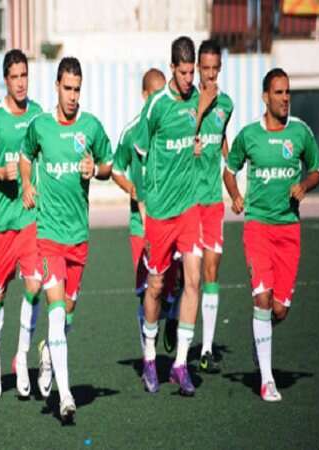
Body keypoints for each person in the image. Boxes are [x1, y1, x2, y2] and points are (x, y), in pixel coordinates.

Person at [20, 56, 113, 423]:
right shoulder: (40, 126)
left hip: (78, 237)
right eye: (67, 88)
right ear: (56, 87)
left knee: (67, 315)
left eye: (77, 89)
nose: (73, 96)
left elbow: (108, 164)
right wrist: (26, 183)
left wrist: (96, 169)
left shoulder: (91, 127)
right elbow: (26, 155)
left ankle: (48, 354)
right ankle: (66, 395)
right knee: (56, 312)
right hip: (48, 236)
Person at [223, 68, 319, 401]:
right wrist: (235, 196)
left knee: (279, 310)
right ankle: (267, 380)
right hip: (258, 228)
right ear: (265, 97)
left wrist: (305, 185)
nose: (285, 98)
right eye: (279, 93)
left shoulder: (300, 132)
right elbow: (229, 170)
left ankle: (260, 331)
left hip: (289, 230)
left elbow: (317, 170)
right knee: (262, 299)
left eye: (287, 92)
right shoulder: (249, 135)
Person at [134, 36, 209, 396]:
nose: (189, 79)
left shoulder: (197, 99)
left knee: (194, 281)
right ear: (172, 68)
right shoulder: (156, 106)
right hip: (160, 214)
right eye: (183, 73)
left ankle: (180, 364)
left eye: (192, 72)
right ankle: (150, 357)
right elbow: (139, 151)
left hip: (189, 209)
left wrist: (197, 146)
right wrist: (145, 199)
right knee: (156, 286)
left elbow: (206, 123)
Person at [0, 49, 43, 400]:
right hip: (2, 221)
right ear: (6, 80)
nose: (20, 83)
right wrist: (1, 173)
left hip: (30, 218)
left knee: (34, 285)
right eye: (14, 77)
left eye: (24, 76)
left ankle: (22, 356)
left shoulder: (39, 115)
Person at [112, 68, 178, 356]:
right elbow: (116, 169)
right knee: (146, 290)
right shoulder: (131, 133)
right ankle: (148, 356)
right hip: (141, 225)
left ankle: (173, 318)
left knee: (172, 288)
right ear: (144, 95)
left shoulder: (172, 127)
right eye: (154, 95)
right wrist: (130, 187)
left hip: (170, 220)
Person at [194, 39, 234, 373]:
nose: (209, 75)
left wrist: (233, 181)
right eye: (204, 69)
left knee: (211, 271)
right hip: (184, 203)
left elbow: (221, 138)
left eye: (214, 69)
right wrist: (200, 108)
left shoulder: (226, 105)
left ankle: (206, 347)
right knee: (184, 276)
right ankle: (173, 318)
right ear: (196, 68)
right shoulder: (186, 104)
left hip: (212, 204)